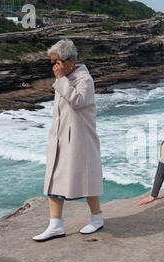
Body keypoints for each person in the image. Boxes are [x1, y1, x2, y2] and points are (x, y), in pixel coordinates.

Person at [33, 39, 104, 242]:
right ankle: (55, 224)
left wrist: (61, 80)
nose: (54, 66)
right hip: (59, 138)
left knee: (87, 177)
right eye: (52, 62)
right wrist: (62, 79)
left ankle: (97, 218)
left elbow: (78, 102)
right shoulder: (64, 76)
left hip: (80, 140)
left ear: (69, 61)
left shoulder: (85, 80)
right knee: (53, 178)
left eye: (56, 61)